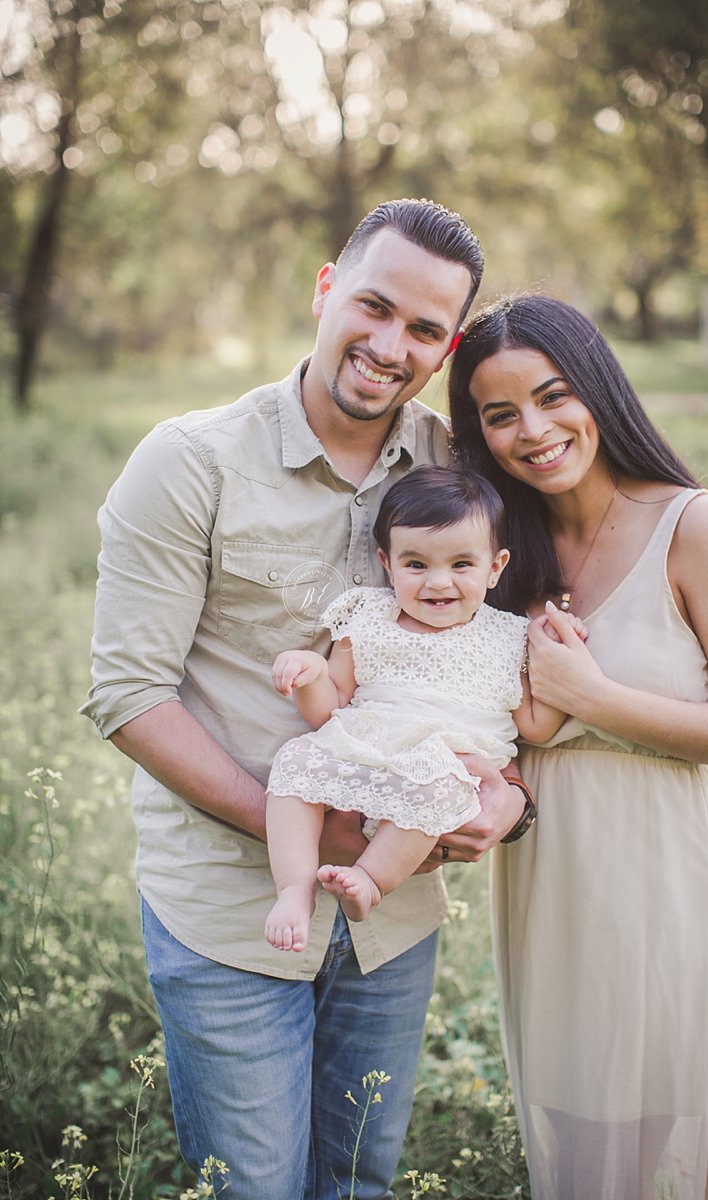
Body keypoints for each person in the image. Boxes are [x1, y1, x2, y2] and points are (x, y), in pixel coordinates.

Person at [80, 200, 536, 1200]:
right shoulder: (189, 461)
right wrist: (308, 834)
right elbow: (127, 694)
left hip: (395, 920)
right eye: (372, 306)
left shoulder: (459, 472)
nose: (388, 346)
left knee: (360, 1179)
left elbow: (508, 667)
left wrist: (508, 800)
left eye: (423, 330)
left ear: (445, 344)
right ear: (326, 288)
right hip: (228, 911)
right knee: (254, 1186)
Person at [448, 293, 708, 1200]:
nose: (534, 429)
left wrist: (597, 699)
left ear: (599, 387)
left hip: (656, 876)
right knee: (568, 1140)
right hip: (546, 879)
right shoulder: (497, 555)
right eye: (500, 414)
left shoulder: (690, 525)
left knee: (646, 1146)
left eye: (554, 395)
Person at [265, 465, 587, 952]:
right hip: (363, 755)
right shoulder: (369, 616)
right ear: (387, 563)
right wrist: (309, 671)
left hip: (444, 773)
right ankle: (293, 888)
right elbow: (328, 706)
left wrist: (568, 662)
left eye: (461, 565)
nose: (439, 583)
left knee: (441, 785)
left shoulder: (509, 636)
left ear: (495, 567)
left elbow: (537, 727)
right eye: (416, 565)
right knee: (294, 762)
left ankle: (371, 882)